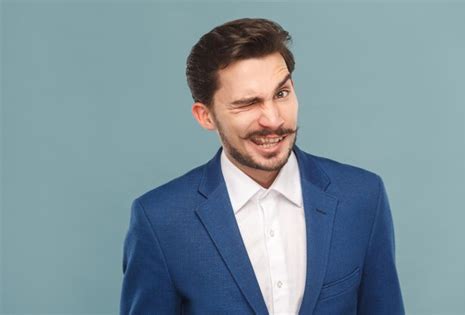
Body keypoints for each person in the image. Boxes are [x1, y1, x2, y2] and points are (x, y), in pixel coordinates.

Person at [120, 18, 405, 314]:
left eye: (281, 94)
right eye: (247, 103)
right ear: (205, 116)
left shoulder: (362, 197)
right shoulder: (160, 220)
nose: (273, 119)